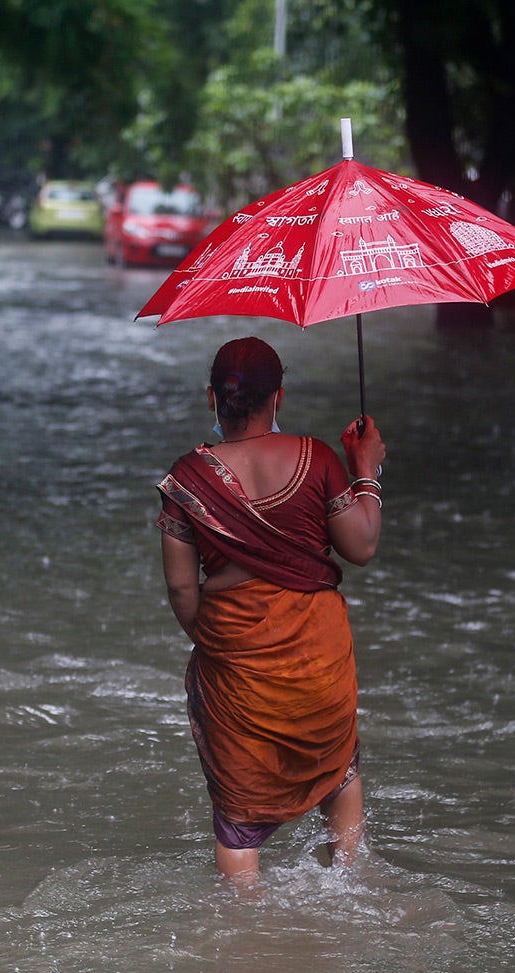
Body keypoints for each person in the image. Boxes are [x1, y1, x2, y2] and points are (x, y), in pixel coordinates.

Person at [156, 336, 386, 882]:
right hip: (318, 657)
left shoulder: (186, 480)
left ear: (211, 398)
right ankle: (350, 884)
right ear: (277, 398)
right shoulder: (317, 459)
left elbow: (183, 591)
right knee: (339, 770)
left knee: (238, 813)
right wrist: (366, 470)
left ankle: (246, 936)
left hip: (238, 662)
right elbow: (361, 547)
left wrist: (220, 644)